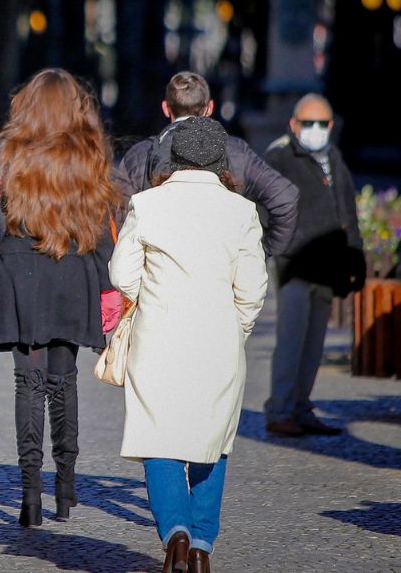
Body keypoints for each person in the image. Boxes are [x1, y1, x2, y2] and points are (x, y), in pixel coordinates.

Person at [109, 116, 268, 572]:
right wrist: (236, 329)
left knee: (159, 438)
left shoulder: (147, 204)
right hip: (219, 341)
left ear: (172, 158)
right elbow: (253, 289)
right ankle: (201, 544)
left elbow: (121, 275)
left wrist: (145, 297)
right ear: (222, 163)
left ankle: (174, 532)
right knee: (212, 440)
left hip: (158, 339)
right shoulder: (241, 212)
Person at [0, 69, 122, 527]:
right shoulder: (91, 153)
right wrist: (108, 287)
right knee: (64, 379)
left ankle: (30, 495)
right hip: (73, 269)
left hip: (20, 270)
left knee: (27, 383)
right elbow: (101, 225)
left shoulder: (7, 150)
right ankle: (66, 488)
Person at [262, 94, 365, 437]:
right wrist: (284, 247)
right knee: (291, 339)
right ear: (294, 124)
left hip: (328, 266)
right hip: (295, 266)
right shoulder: (279, 156)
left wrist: (355, 255)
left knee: (314, 343)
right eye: (309, 123)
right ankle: (280, 410)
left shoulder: (332, 156)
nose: (316, 130)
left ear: (332, 126)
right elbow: (267, 210)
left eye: (323, 124)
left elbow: (346, 209)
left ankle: (301, 407)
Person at [118, 71, 299, 256]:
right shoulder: (236, 151)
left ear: (166, 108)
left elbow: (119, 219)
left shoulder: (139, 155)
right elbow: (285, 198)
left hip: (159, 274)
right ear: (210, 107)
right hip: (223, 271)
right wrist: (262, 252)